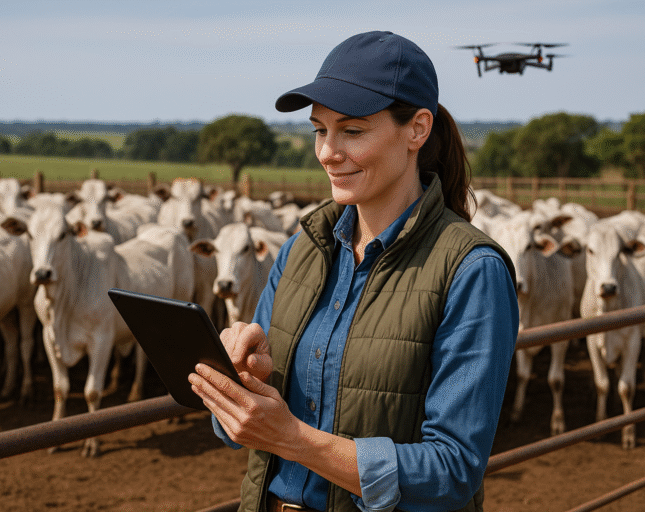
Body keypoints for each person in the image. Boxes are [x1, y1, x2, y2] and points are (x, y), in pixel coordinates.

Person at [188, 30, 519, 512]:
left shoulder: (471, 270)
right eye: (320, 130)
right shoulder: (300, 249)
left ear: (417, 130)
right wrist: (245, 377)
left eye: (352, 131)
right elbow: (244, 432)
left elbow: (452, 471)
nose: (327, 152)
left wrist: (294, 439)